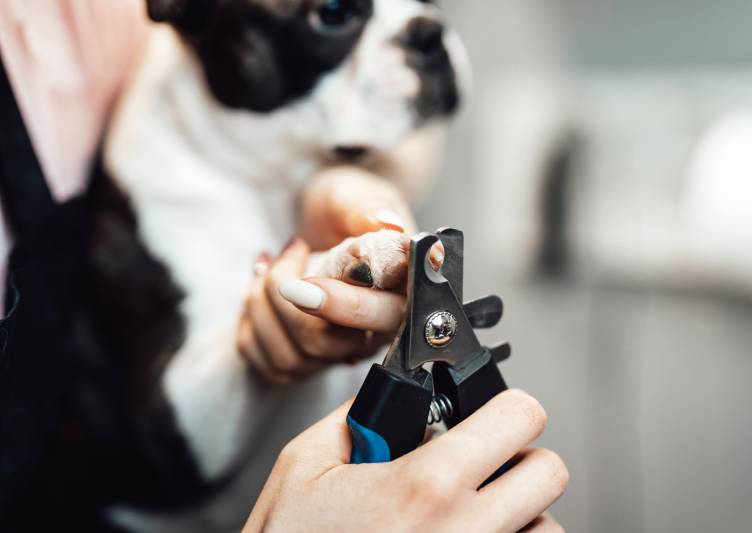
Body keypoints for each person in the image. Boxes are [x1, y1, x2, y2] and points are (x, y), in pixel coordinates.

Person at [0, 2, 568, 531]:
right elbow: (178, 455)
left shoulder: (98, 30)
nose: (421, 27)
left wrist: (364, 191)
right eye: (334, 13)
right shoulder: (158, 195)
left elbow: (410, 139)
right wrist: (252, 358)